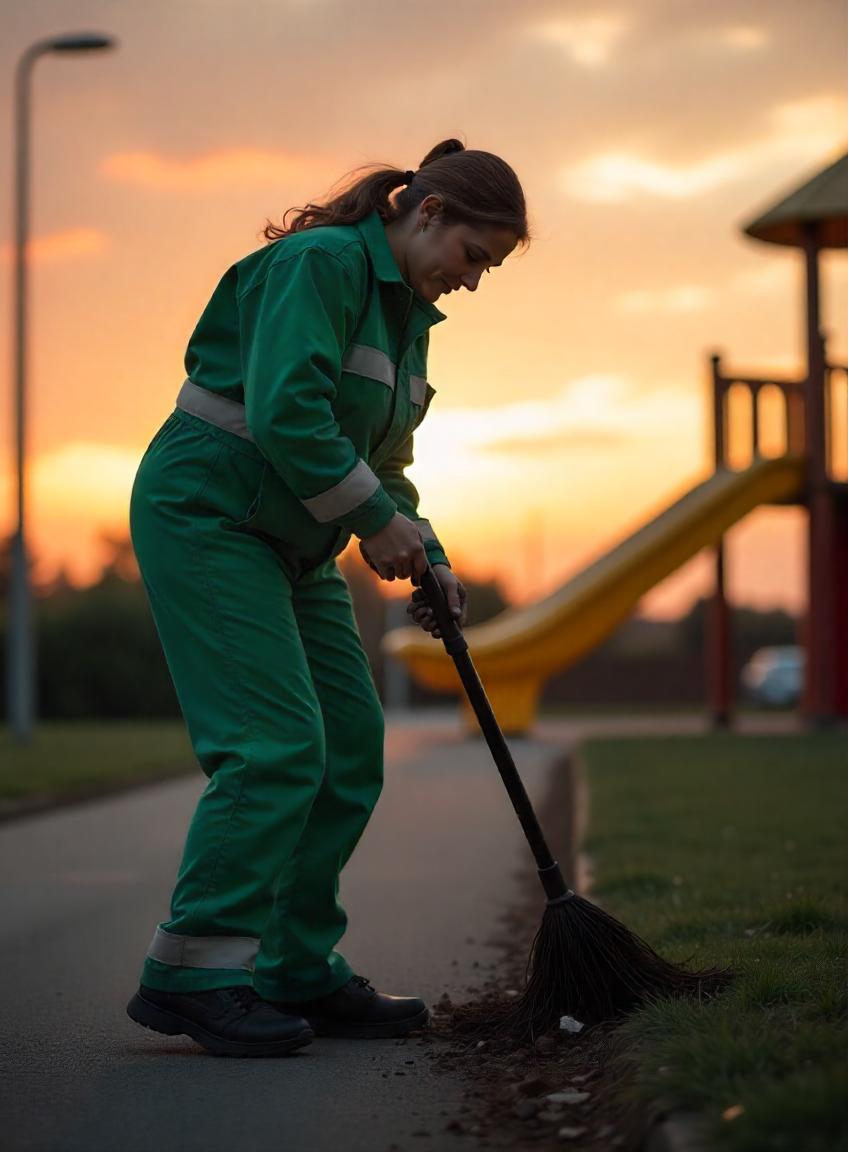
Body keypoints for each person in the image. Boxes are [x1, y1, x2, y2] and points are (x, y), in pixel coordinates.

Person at [125, 138, 529, 1057]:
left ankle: (293, 967)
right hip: (210, 514)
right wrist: (372, 521)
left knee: (348, 745)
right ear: (427, 214)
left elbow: (388, 467)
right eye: (474, 257)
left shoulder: (409, 320)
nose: (472, 283)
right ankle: (194, 972)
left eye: (490, 270)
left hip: (296, 544)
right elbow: (285, 411)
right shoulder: (319, 266)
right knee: (273, 746)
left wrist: (428, 555)